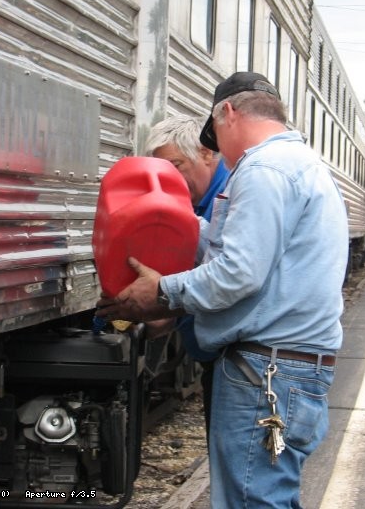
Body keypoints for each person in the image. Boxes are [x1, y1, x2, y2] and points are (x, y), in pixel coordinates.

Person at [98, 72, 348, 508]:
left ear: (227, 113)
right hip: (286, 368)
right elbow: (245, 257)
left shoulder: (264, 169)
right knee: (262, 496)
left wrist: (163, 292)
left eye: (214, 135)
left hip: (266, 371)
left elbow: (238, 273)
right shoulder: (299, 164)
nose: (216, 151)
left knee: (251, 501)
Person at [143, 114, 229, 434]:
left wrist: (164, 301)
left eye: (175, 166)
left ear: (206, 153)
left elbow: (227, 279)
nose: (170, 180)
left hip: (234, 364)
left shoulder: (229, 195)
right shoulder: (194, 200)